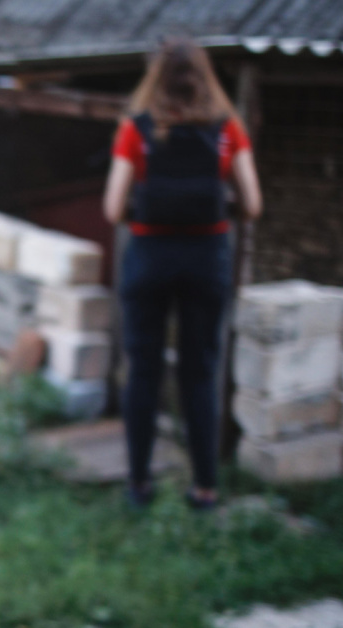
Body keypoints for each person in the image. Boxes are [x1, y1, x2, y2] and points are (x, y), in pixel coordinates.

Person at [103, 38, 263, 511]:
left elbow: (113, 207)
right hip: (207, 259)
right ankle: (205, 488)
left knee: (143, 371)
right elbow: (252, 204)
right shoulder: (227, 130)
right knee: (200, 371)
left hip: (149, 257)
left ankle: (138, 484)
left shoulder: (138, 130)